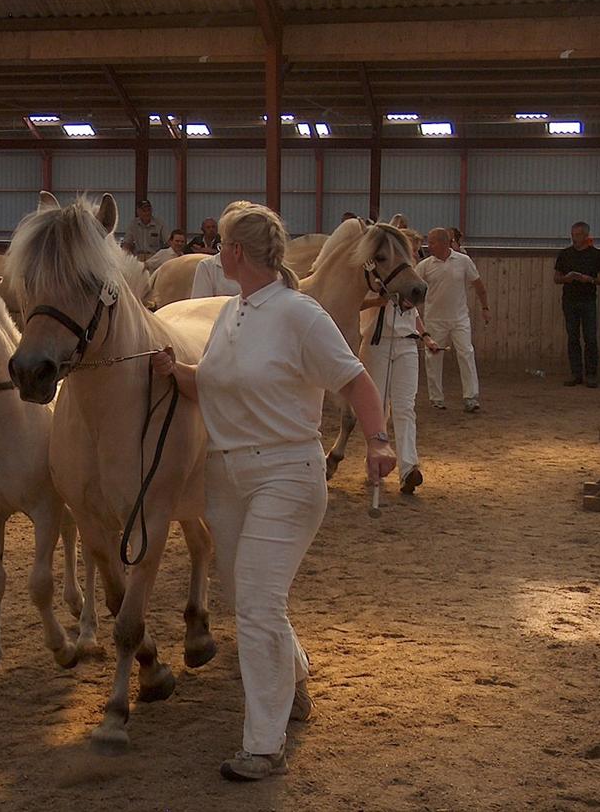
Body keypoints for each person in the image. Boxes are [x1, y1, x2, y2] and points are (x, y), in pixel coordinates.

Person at [151, 201, 396, 782]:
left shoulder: (298, 315)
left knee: (258, 604)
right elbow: (210, 387)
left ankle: (264, 743)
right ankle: (298, 675)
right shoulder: (231, 315)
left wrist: (379, 441)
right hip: (227, 476)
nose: (218, 252)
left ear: (237, 253)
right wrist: (169, 371)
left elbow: (355, 380)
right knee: (247, 597)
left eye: (223, 245)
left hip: (285, 473)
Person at [359, 233, 440, 494]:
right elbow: (355, 303)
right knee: (378, 406)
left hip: (406, 344)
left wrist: (426, 336)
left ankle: (408, 468)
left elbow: (414, 314)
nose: (413, 257)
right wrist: (380, 300)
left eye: (415, 252)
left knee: (406, 407)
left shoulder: (410, 280)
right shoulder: (374, 273)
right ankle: (375, 464)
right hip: (377, 343)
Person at [416, 227, 490, 411]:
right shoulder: (425, 265)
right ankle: (436, 398)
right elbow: (414, 288)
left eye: (432, 242)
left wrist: (485, 307)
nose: (429, 245)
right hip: (434, 319)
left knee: (466, 353)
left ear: (443, 242)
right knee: (433, 358)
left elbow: (478, 285)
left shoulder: (463, 261)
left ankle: (471, 397)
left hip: (459, 318)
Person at [554, 221, 600, 388]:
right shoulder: (564, 254)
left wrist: (590, 279)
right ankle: (576, 373)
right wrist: (567, 278)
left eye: (577, 235)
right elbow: (556, 278)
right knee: (573, 337)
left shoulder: (597, 255)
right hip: (570, 300)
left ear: (586, 236)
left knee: (590, 338)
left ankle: (591, 374)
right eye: (573, 235)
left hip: (588, 300)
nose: (574, 238)